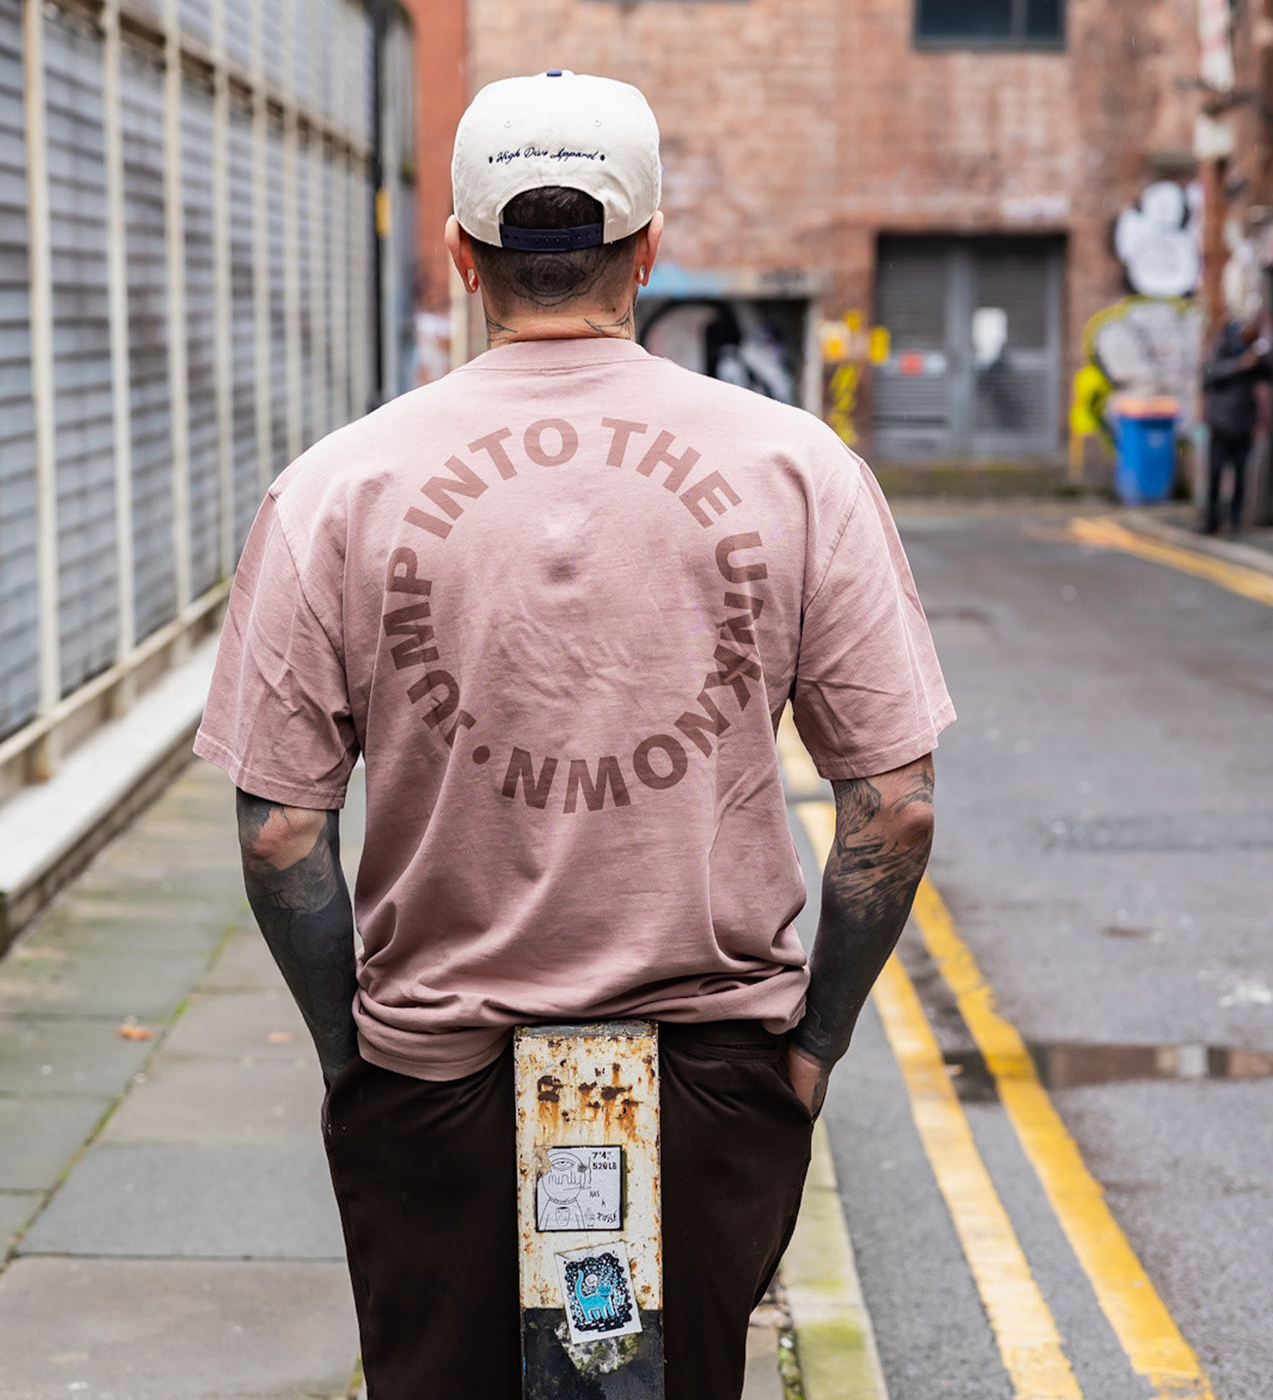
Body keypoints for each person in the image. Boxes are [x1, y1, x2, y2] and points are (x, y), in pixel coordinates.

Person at [195, 70, 953, 1400]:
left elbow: (279, 834)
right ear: (650, 246)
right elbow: (891, 810)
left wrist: (352, 1057)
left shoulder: (335, 487)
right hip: (712, 1067)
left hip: (436, 1069)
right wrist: (811, 1051)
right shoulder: (799, 470)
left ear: (461, 253)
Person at [1201, 313, 1272, 534]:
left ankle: (1234, 520)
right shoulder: (1224, 346)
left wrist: (1262, 357)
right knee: (1215, 473)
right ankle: (1211, 520)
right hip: (1220, 422)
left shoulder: (1255, 353)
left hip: (1243, 422)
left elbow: (1268, 375)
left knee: (1241, 475)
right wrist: (1240, 364)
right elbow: (1211, 374)